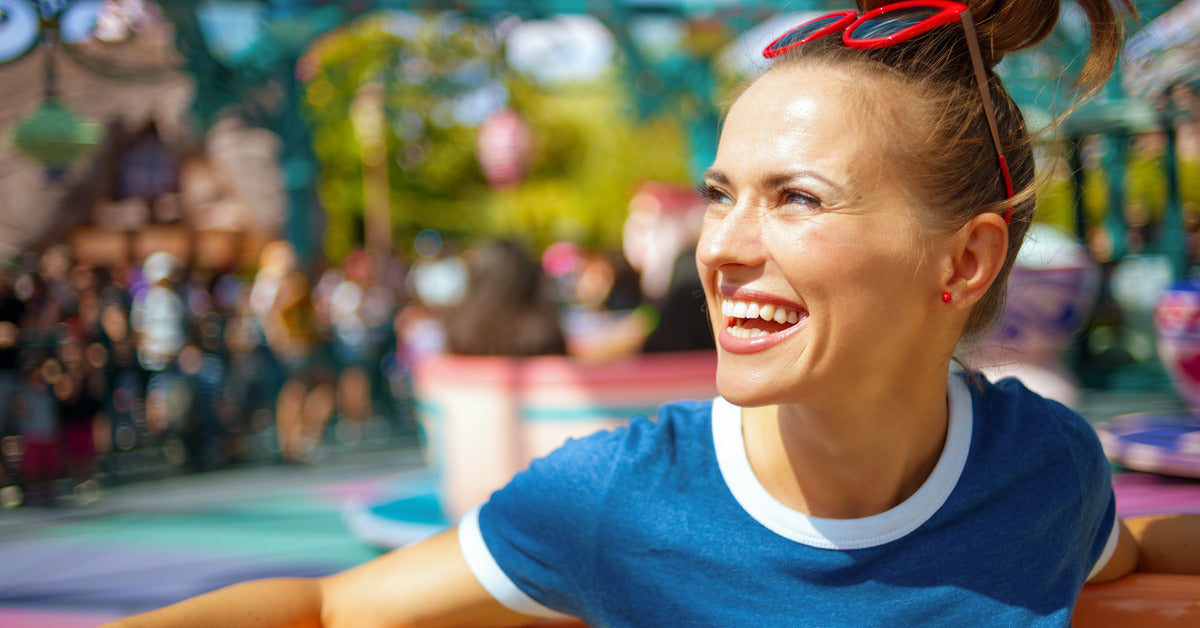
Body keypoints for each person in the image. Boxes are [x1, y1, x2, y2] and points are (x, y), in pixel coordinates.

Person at [106, 0, 1196, 625]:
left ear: (963, 259)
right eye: (722, 194)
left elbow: (1125, 552)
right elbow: (330, 612)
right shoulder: (627, 495)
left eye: (795, 199)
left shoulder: (1046, 471)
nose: (721, 245)